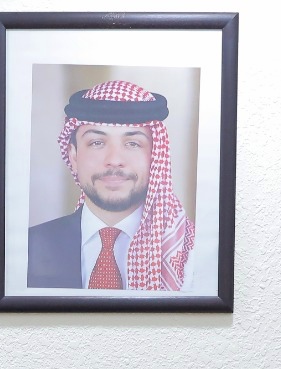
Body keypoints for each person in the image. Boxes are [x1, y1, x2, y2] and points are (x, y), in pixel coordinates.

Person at [27, 80, 195, 291]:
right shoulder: (28, 248)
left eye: (132, 144)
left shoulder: (191, 255)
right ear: (73, 156)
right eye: (96, 143)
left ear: (155, 156)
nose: (114, 160)